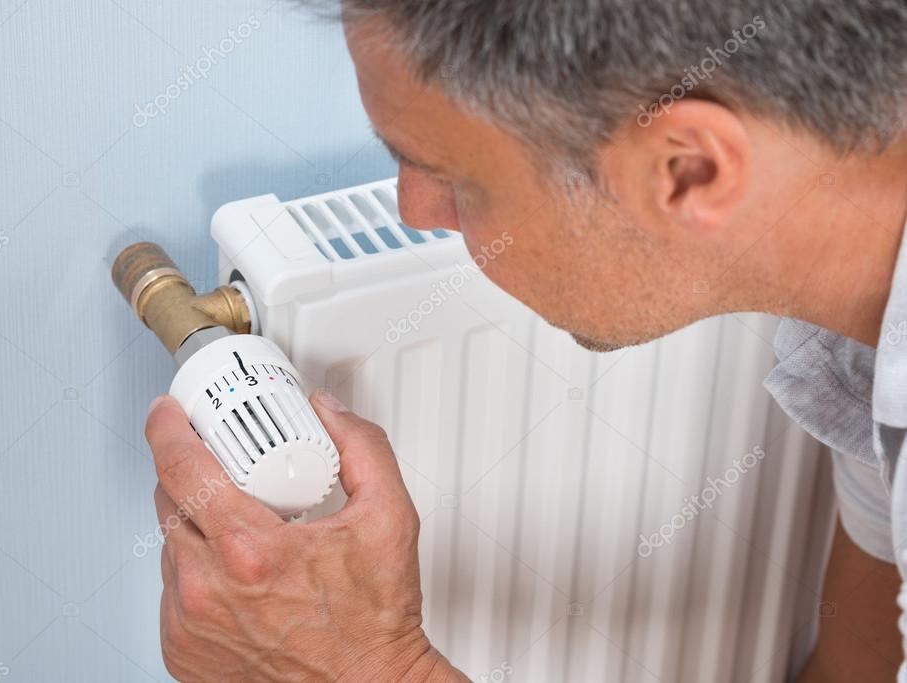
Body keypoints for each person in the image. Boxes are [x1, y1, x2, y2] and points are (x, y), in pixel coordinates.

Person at [143, 2, 907, 680]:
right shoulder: (860, 324)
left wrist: (363, 668)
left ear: (688, 169)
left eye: (455, 177)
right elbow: (865, 661)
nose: (419, 211)